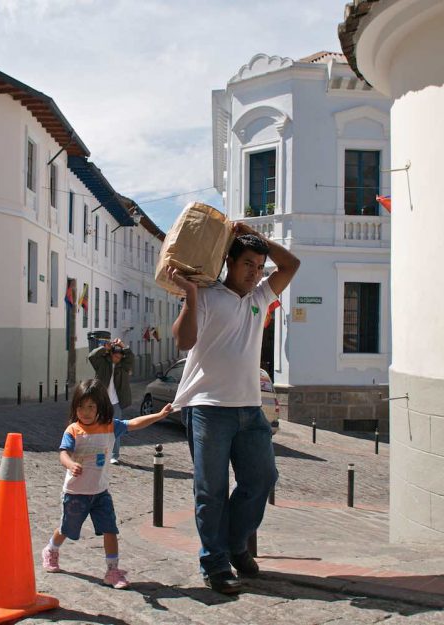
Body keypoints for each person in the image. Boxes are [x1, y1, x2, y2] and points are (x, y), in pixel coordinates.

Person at [168, 222, 300, 594]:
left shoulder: (259, 297)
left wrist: (256, 237)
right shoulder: (208, 295)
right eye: (247, 264)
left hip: (249, 408)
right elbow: (183, 341)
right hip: (208, 408)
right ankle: (214, 562)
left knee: (261, 479)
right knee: (210, 490)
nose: (254, 272)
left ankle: (235, 545)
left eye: (259, 266)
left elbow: (291, 265)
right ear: (229, 260)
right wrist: (192, 298)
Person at [41, 379, 173, 589]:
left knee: (110, 530)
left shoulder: (110, 426)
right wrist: (70, 464)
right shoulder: (73, 430)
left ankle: (112, 571)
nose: (85, 412)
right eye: (81, 407)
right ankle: (51, 549)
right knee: (67, 528)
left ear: (100, 407)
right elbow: (63, 453)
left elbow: (134, 423)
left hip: (100, 493)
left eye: (91, 407)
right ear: (75, 407)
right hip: (75, 492)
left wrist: (158, 415)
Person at [88, 338, 134, 464]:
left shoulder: (123, 366)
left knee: (115, 429)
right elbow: (91, 356)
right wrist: (104, 348)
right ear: (111, 354)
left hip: (116, 403)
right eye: (115, 355)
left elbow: (131, 358)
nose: (117, 358)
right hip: (101, 401)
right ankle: (99, 453)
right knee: (98, 428)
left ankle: (114, 455)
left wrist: (124, 346)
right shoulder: (102, 363)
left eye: (120, 356)